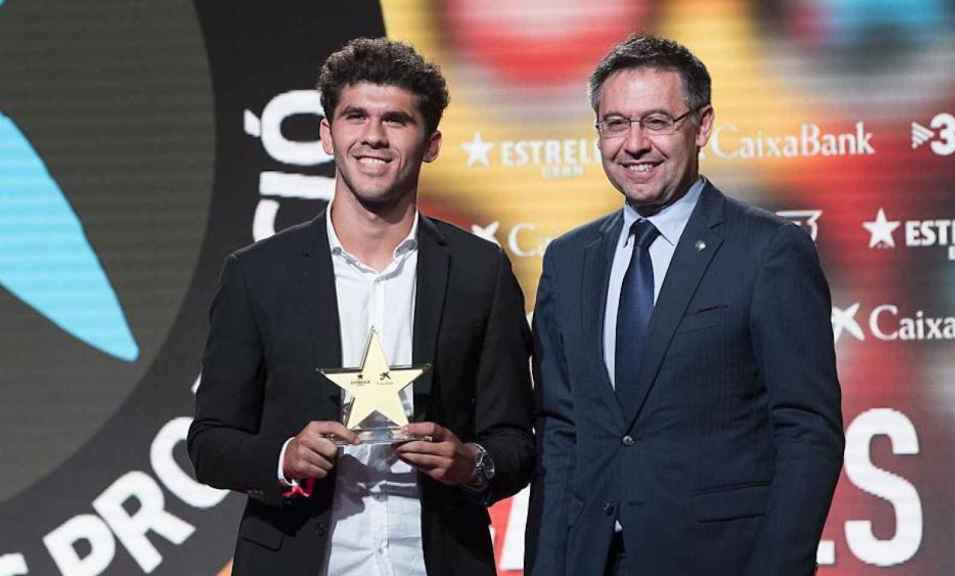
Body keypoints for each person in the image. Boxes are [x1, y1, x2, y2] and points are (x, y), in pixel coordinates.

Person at [188, 37, 534, 576]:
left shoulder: (479, 272)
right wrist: (283, 457)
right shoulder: (256, 275)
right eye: (356, 117)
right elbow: (210, 443)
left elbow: (516, 440)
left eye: (396, 120)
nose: (373, 136)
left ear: (432, 143)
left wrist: (470, 463)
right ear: (328, 134)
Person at [525, 34, 844, 576]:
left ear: (703, 126)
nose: (635, 144)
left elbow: (807, 431)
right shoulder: (568, 259)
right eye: (616, 124)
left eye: (657, 121)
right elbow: (562, 434)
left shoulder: (768, 251)